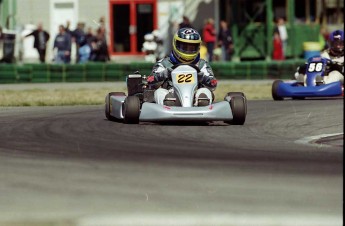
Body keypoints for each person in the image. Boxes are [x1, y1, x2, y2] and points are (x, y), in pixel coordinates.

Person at [146, 28, 217, 106]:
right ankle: (168, 105)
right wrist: (164, 74)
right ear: (175, 44)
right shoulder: (164, 63)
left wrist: (202, 77)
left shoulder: (202, 64)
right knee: (159, 92)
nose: (188, 51)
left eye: (192, 48)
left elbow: (213, 84)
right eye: (184, 47)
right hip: (171, 96)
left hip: (194, 99)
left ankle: (202, 104)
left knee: (204, 91)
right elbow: (150, 80)